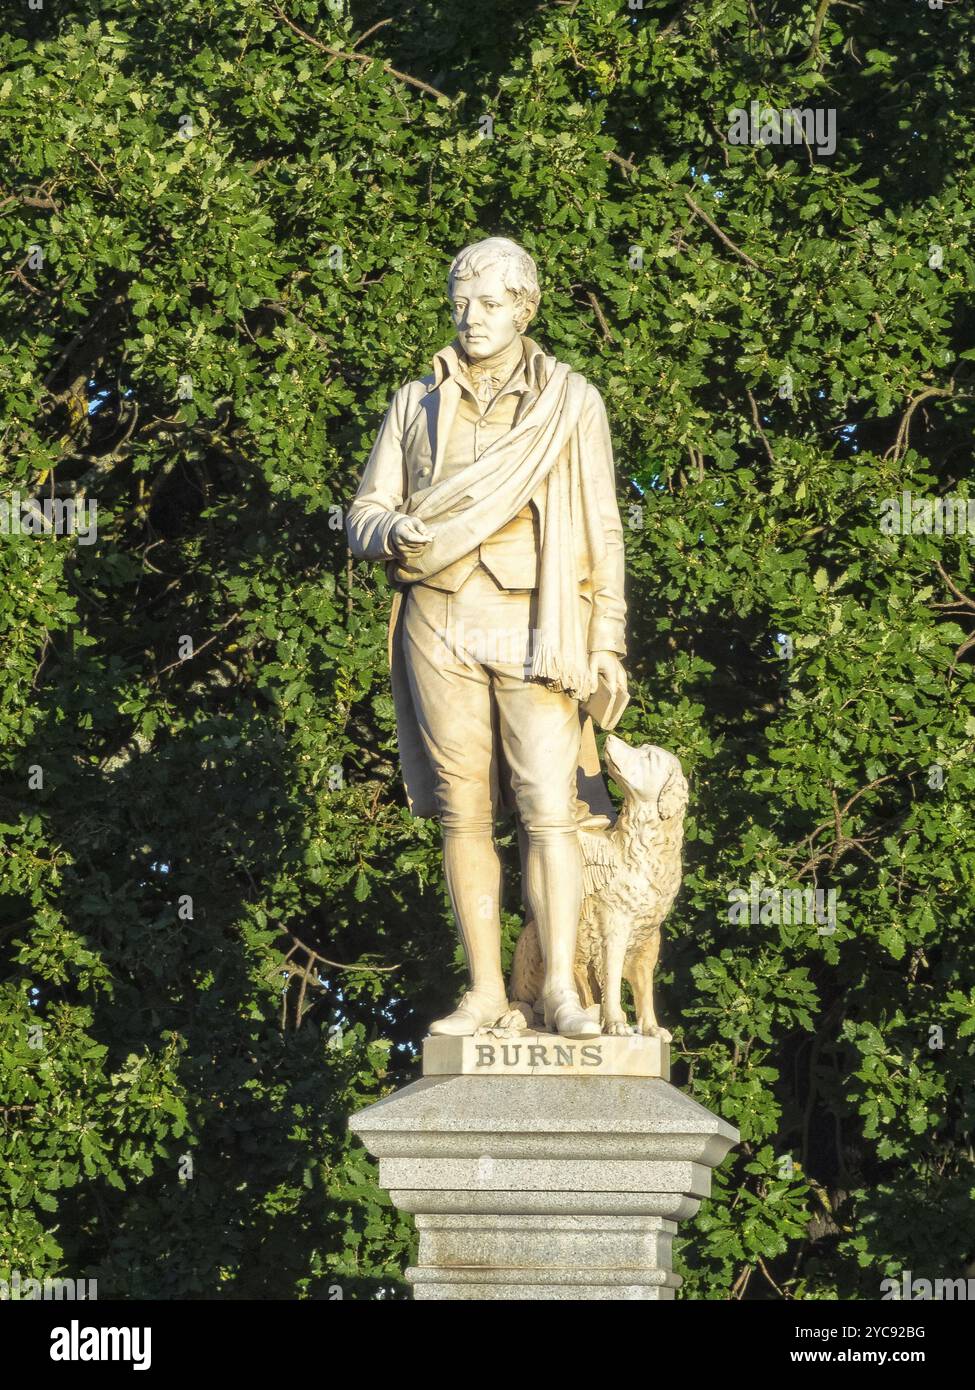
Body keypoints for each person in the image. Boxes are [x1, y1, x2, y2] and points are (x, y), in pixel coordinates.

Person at [347, 237, 628, 1039]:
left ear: (525, 309)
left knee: (551, 811)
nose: (473, 318)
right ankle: (482, 991)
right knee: (462, 813)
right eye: (462, 302)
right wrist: (390, 528)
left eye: (492, 304)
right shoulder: (415, 401)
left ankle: (563, 993)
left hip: (537, 623)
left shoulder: (570, 402)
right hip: (437, 619)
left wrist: (605, 641)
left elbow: (604, 531)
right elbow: (362, 512)